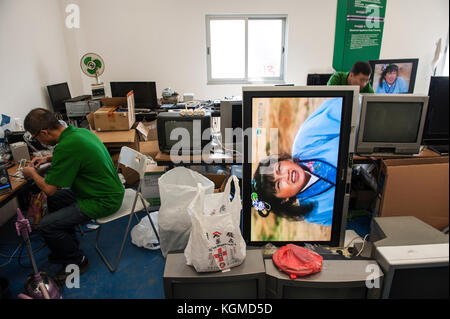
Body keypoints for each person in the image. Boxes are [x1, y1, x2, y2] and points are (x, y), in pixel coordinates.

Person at [21, 108, 125, 283]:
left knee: (47, 225)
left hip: (103, 200)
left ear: (44, 132)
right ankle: (66, 246)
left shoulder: (67, 146)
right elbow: (74, 153)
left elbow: (48, 188)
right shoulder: (79, 132)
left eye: (37, 138)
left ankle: (77, 262)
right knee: (55, 201)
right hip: (105, 190)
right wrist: (48, 158)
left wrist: (32, 173)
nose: (39, 141)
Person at [252, 97, 342, 226]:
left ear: (285, 160)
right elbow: (345, 221)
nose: (285, 176)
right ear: (284, 199)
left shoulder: (306, 140)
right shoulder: (312, 214)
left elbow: (343, 110)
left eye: (279, 169)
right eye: (278, 184)